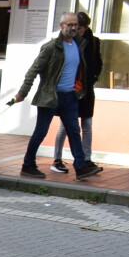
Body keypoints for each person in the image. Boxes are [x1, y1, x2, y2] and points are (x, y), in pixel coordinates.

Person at [10, 11, 101, 181]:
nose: (73, 28)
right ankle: (28, 165)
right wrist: (23, 92)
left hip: (70, 97)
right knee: (41, 132)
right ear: (61, 26)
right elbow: (34, 70)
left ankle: (80, 168)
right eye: (69, 25)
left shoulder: (79, 44)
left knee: (74, 132)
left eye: (75, 25)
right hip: (50, 96)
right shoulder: (51, 47)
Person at [51, 11, 102, 174]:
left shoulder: (93, 42)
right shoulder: (67, 42)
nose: (79, 31)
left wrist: (92, 78)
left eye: (82, 28)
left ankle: (86, 159)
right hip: (70, 89)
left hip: (86, 90)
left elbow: (98, 63)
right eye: (77, 27)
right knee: (65, 126)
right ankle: (57, 159)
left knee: (87, 125)